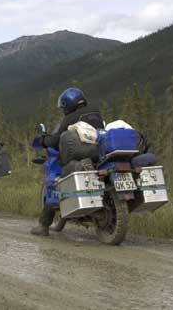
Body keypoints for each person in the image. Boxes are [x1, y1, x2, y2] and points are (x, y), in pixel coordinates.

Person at [31, 88, 104, 236]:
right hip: (98, 155)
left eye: (64, 106)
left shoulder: (70, 118)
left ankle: (43, 225)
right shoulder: (95, 112)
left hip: (77, 157)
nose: (64, 109)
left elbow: (56, 139)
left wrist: (44, 139)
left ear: (69, 104)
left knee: (56, 183)